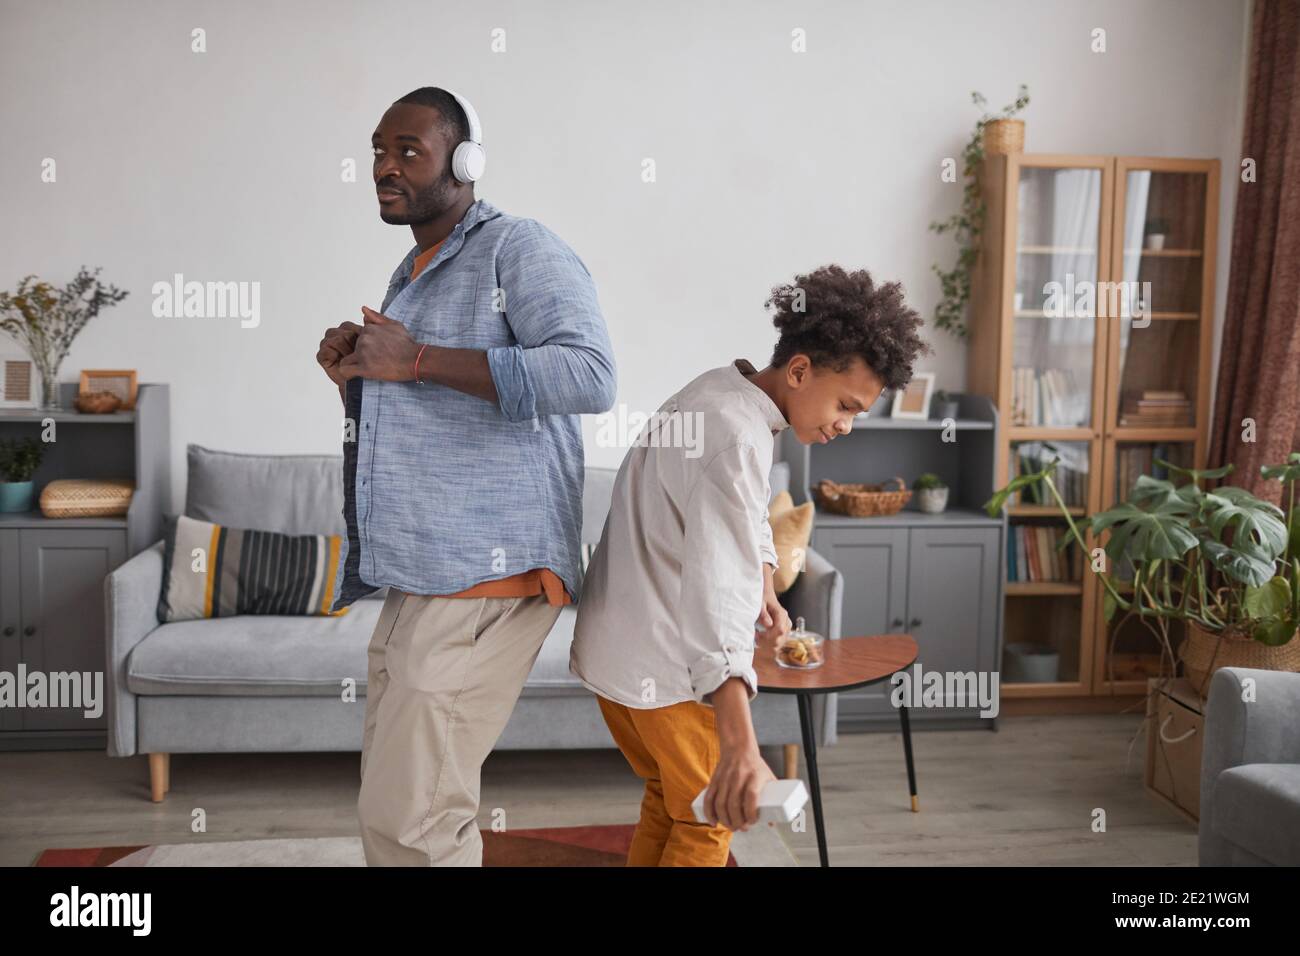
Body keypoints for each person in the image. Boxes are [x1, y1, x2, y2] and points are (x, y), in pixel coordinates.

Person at [315, 86, 616, 866]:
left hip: (487, 571)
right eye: (378, 151)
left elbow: (588, 375)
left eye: (408, 150)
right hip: (426, 572)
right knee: (397, 802)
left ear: (465, 160)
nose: (385, 167)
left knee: (413, 821)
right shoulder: (415, 268)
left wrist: (412, 359)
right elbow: (436, 414)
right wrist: (359, 377)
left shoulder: (518, 247)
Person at [570, 264, 931, 866]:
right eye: (845, 404)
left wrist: (764, 574)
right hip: (666, 669)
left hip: (619, 657)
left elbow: (737, 520)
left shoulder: (720, 392)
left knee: (671, 800)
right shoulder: (738, 438)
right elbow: (716, 594)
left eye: (858, 414)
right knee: (710, 822)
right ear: (799, 370)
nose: (846, 424)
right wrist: (740, 741)